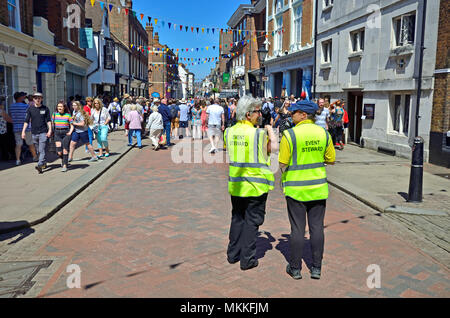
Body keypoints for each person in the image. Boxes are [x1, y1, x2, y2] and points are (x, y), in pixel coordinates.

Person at [278, 100, 335, 280]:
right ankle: (316, 268)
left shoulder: (290, 135)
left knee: (297, 229)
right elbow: (331, 159)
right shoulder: (324, 133)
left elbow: (282, 163)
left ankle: (295, 268)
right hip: (318, 187)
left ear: (304, 115)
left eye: (294, 112)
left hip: (296, 189)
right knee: (317, 228)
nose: (291, 115)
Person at [224, 95, 276, 271]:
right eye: (257, 111)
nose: (259, 114)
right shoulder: (258, 134)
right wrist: (271, 132)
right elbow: (271, 150)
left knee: (237, 218)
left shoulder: (228, 132)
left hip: (237, 184)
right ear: (248, 114)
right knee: (252, 222)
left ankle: (233, 254)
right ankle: (247, 259)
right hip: (256, 185)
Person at [22, 92, 52, 174]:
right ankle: (44, 163)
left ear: (42, 99)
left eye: (39, 98)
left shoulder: (45, 108)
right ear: (33, 99)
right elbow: (26, 121)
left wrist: (50, 130)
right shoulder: (30, 109)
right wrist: (23, 131)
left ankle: (39, 165)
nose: (37, 99)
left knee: (41, 149)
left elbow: (49, 120)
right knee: (38, 150)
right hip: (34, 132)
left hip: (43, 132)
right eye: (36, 98)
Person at [9, 92, 38, 165]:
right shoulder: (26, 106)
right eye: (22, 97)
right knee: (30, 143)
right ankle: (35, 157)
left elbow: (11, 116)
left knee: (18, 144)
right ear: (20, 98)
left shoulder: (11, 106)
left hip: (16, 127)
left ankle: (18, 160)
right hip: (26, 128)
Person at [51, 101, 74, 172]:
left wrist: (70, 132)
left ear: (64, 107)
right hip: (57, 133)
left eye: (61, 106)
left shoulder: (68, 115)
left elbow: (72, 126)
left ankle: (64, 165)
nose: (59, 108)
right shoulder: (54, 115)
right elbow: (52, 124)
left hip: (66, 133)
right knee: (59, 152)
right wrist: (51, 131)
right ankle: (64, 160)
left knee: (65, 149)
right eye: (58, 106)